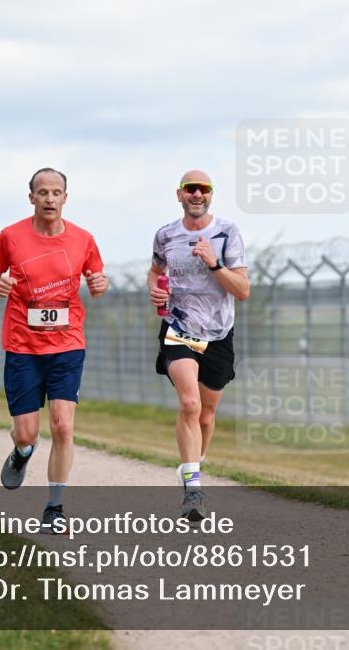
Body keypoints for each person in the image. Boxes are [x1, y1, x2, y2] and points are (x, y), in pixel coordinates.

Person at [0, 167, 108, 532]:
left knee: (63, 426)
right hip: (22, 344)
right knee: (27, 432)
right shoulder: (12, 236)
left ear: (65, 198)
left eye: (56, 192)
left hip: (67, 343)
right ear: (32, 197)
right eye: (43, 192)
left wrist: (100, 282)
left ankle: (54, 509)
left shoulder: (83, 239)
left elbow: (97, 282)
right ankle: (22, 452)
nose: (50, 198)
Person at [148, 169, 249, 522]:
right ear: (179, 195)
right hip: (179, 327)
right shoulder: (165, 235)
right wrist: (156, 289)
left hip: (219, 333)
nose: (196, 194)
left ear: (210, 195)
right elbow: (154, 270)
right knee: (189, 404)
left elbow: (242, 290)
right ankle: (193, 487)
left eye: (203, 189)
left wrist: (214, 264)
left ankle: (192, 464)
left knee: (206, 415)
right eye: (190, 189)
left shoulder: (226, 233)